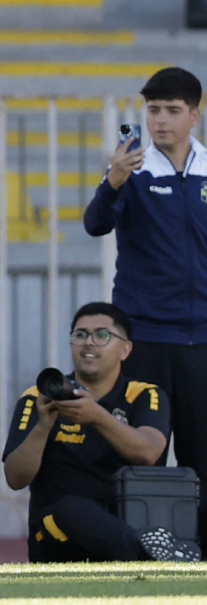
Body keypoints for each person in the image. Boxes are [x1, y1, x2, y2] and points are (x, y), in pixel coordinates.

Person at [82, 66, 207, 539]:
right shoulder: (131, 170)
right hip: (146, 338)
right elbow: (95, 224)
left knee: (202, 456)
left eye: (173, 110)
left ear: (194, 115)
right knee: (138, 453)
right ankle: (132, 550)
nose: (161, 120)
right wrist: (113, 180)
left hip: (202, 340)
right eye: (154, 110)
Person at [2, 302, 181, 562]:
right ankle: (148, 557)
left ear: (125, 349)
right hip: (56, 533)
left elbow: (149, 453)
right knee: (69, 507)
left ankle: (139, 551)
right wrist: (43, 426)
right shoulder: (38, 396)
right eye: (80, 334)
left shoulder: (143, 394)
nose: (89, 342)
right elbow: (15, 478)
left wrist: (97, 416)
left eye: (102, 335)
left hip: (123, 523)